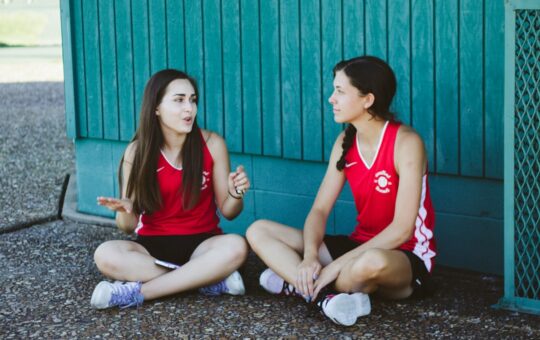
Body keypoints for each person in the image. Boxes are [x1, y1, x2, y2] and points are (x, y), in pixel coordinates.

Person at [246, 56, 436, 326]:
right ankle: (325, 297)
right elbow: (320, 210)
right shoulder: (345, 142)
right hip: (358, 244)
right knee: (258, 230)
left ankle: (296, 285)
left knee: (369, 263)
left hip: (403, 256)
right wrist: (311, 256)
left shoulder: (406, 142)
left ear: (367, 99)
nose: (330, 99)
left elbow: (402, 230)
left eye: (340, 91)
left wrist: (334, 265)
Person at [90, 69, 250, 309]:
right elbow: (127, 226)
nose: (189, 108)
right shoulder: (137, 153)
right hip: (151, 249)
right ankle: (205, 279)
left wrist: (236, 193)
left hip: (203, 245)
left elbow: (229, 211)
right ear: (156, 107)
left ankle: (136, 292)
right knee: (105, 254)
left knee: (237, 246)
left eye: (192, 100)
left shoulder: (213, 144)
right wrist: (126, 208)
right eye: (179, 100)